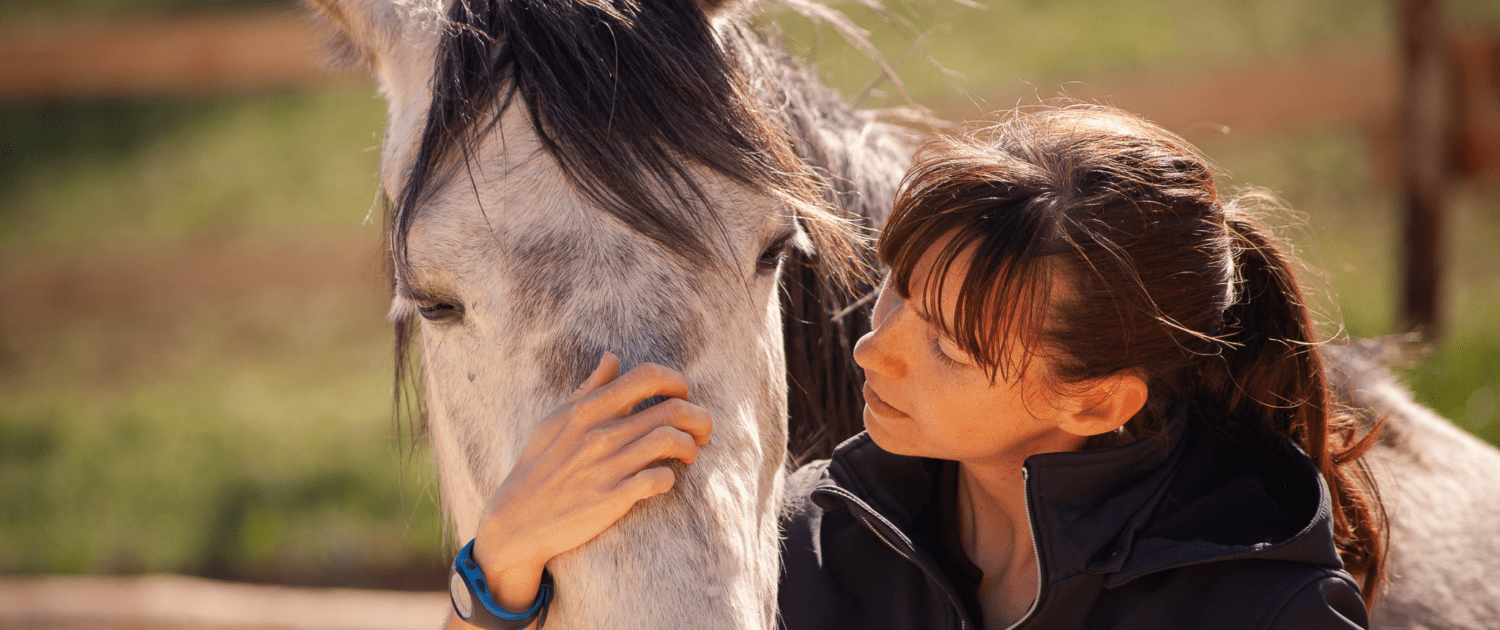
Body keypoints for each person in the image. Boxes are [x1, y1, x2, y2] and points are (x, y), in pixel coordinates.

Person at [454, 104, 1386, 629]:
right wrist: (501, 561)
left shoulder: (1268, 612)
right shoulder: (812, 547)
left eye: (947, 344)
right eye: (897, 289)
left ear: (1095, 399)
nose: (873, 346)